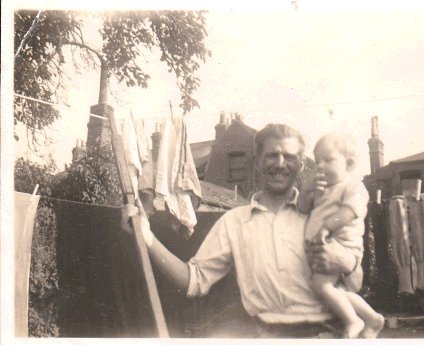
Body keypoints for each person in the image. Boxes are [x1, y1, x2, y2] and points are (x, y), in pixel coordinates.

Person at [122, 124, 363, 338]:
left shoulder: (321, 214)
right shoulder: (235, 222)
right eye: (272, 155)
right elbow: (193, 280)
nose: (280, 163)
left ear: (300, 165)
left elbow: (355, 284)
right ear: (257, 162)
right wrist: (147, 237)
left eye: (289, 156)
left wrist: (345, 260)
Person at [298, 132, 385, 338]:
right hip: (324, 246)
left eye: (328, 160)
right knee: (334, 290)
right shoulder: (323, 189)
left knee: (321, 286)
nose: (320, 166)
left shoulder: (354, 186)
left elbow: (348, 213)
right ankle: (372, 318)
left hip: (342, 245)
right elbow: (303, 210)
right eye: (318, 161)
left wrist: (326, 228)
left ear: (350, 163)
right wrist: (305, 191)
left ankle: (353, 321)